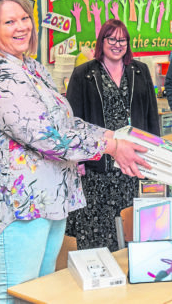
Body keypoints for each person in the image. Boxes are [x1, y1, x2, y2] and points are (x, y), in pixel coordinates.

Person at [0, 0, 149, 303]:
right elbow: (46, 136)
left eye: (24, 18)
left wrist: (114, 138)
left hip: (51, 198)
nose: (21, 26)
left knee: (39, 291)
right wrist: (110, 148)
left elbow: (66, 124)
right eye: (9, 22)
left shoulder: (33, 68)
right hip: (18, 205)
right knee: (14, 294)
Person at [65, 19, 160, 251]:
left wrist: (155, 153)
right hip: (98, 164)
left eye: (122, 40)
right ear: (102, 41)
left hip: (130, 163)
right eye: (112, 39)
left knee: (128, 225)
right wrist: (76, 159)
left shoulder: (140, 70)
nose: (117, 44)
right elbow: (72, 121)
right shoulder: (83, 74)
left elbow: (150, 114)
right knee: (95, 229)